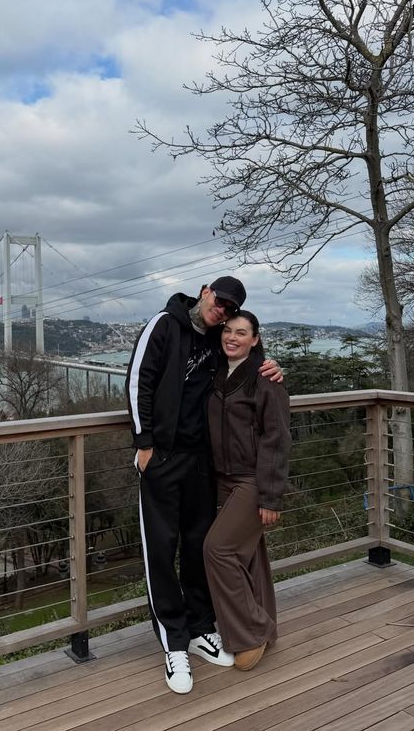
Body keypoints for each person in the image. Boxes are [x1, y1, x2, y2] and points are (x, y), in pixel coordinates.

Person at [125, 277, 283, 694]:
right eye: (220, 301)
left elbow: (244, 356)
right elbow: (139, 380)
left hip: (201, 463)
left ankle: (199, 627)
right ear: (204, 291)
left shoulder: (218, 336)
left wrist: (271, 365)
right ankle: (174, 642)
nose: (222, 311)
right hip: (162, 458)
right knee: (161, 550)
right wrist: (144, 444)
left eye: (230, 309)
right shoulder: (164, 324)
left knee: (198, 546)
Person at [204, 310, 291, 671]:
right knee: (250, 554)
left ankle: (251, 632)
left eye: (241, 333)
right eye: (228, 330)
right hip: (223, 479)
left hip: (253, 480)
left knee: (217, 549)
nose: (232, 337)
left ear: (255, 340)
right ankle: (265, 625)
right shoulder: (214, 372)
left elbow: (277, 439)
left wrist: (271, 496)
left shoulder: (266, 379)